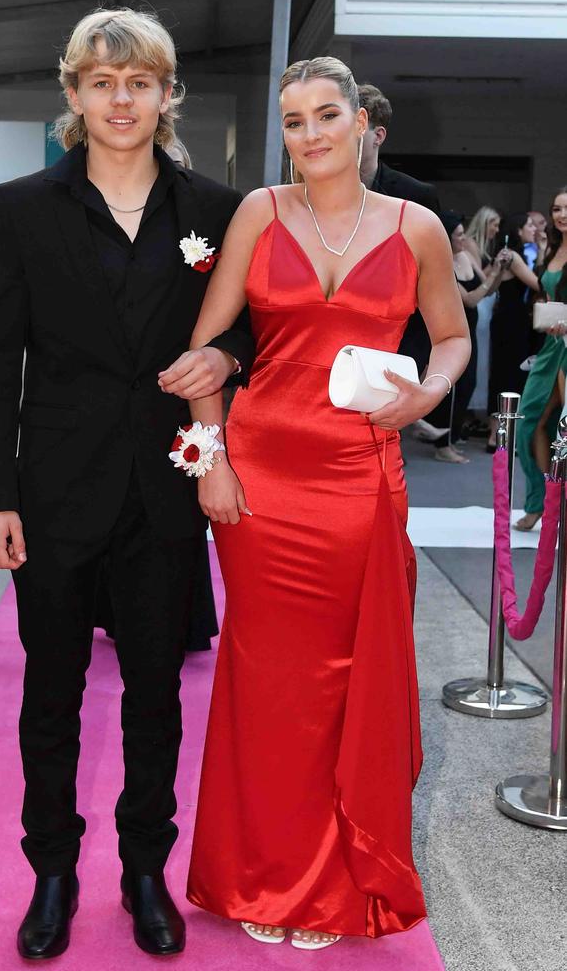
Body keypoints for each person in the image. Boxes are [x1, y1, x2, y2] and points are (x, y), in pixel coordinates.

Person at [161, 56, 470, 949]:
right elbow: (209, 342)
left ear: (364, 124)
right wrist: (210, 462)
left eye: (326, 115)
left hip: (361, 477)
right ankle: (262, 876)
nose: (310, 136)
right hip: (261, 477)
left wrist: (428, 391)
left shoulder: (418, 230)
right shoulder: (259, 212)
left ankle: (335, 877)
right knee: (265, 684)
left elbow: (450, 337)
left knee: (348, 682)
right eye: (294, 121)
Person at [0, 7, 253, 961]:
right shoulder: (24, 206)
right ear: (74, 94)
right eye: (101, 82)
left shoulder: (215, 210)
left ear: (168, 93)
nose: (120, 99)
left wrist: (228, 362)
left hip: (167, 489)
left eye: (139, 82)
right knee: (48, 696)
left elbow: (249, 327)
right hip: (50, 492)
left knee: (155, 699)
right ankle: (52, 870)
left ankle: (143, 870)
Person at [357, 84, 440, 379]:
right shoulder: (311, 192)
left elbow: (435, 282)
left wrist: (431, 356)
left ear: (378, 136)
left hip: (400, 341)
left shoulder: (415, 195)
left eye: (357, 128)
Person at [427, 213, 505, 463]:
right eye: (458, 235)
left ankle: (452, 436)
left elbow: (488, 288)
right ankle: (442, 443)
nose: (463, 238)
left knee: (468, 383)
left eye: (463, 233)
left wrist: (499, 270)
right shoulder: (442, 263)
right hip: (449, 328)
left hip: (469, 329)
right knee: (451, 387)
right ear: (446, 238)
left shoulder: (466, 257)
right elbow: (470, 299)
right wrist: (491, 278)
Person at [515, 187, 567, 530]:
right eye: (557, 209)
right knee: (529, 424)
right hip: (551, 347)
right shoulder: (551, 249)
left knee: (560, 428)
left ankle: (549, 507)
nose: (561, 215)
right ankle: (541, 501)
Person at [487, 213, 543, 449]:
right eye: (529, 225)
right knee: (510, 376)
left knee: (502, 374)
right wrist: (542, 250)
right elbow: (539, 284)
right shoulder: (516, 257)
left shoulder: (507, 255)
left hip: (505, 319)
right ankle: (499, 437)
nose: (534, 229)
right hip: (512, 321)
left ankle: (497, 436)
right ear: (518, 230)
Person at [464, 206, 501, 423]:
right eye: (494, 224)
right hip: (478, 302)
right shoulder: (470, 243)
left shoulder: (485, 244)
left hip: (486, 301)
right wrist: (496, 267)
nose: (496, 229)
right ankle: (470, 408)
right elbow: (478, 280)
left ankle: (474, 407)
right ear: (483, 223)